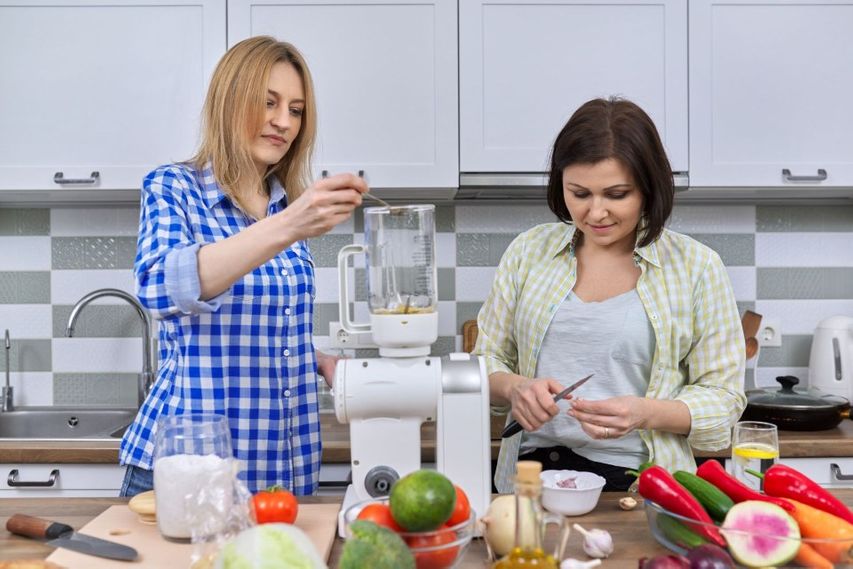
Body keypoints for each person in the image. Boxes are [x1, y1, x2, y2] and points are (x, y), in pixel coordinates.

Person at [118, 36, 368, 497]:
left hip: (284, 464)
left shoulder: (282, 206)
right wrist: (292, 224)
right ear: (230, 102)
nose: (283, 122)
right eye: (268, 103)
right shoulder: (176, 188)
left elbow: (252, 320)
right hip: (192, 472)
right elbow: (158, 286)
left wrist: (318, 359)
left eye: (296, 110)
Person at [475, 97, 746, 493]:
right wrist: (514, 388)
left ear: (649, 188)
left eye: (616, 194)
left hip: (641, 484)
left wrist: (645, 413)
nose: (596, 213)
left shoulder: (697, 266)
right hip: (528, 477)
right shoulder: (527, 252)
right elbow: (485, 360)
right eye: (580, 193)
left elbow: (724, 401)